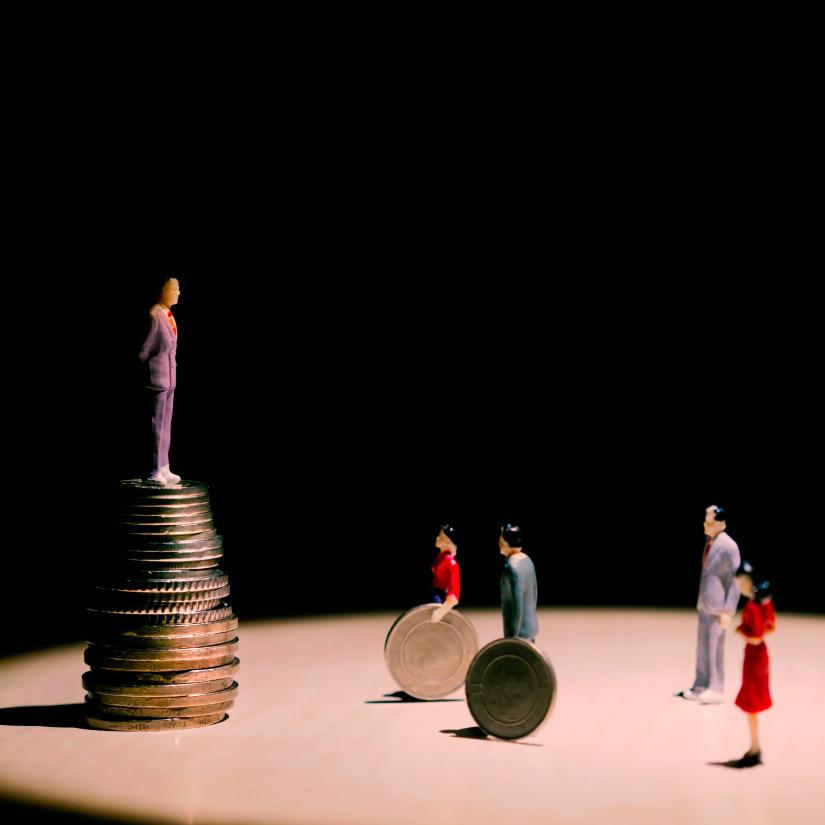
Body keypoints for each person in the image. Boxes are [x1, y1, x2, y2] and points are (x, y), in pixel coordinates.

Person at [677, 505, 740, 703]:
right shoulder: (709, 542)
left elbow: (737, 579)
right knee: (702, 647)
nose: (706, 525)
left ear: (721, 523)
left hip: (719, 607)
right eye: (705, 521)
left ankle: (716, 687)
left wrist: (729, 610)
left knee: (715, 647)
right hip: (705, 604)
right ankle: (701, 683)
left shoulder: (729, 546)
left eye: (710, 522)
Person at [730, 560, 775, 767]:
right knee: (752, 705)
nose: (739, 586)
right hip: (758, 655)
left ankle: (755, 747)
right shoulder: (761, 604)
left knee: (752, 704)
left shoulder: (752, 608)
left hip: (755, 656)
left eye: (740, 583)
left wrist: (740, 630)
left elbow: (756, 637)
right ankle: (754, 746)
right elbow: (770, 628)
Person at [138, 277, 181, 484]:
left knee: (166, 425)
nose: (178, 293)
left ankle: (164, 466)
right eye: (174, 289)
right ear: (162, 290)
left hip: (170, 378)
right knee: (156, 426)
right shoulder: (154, 315)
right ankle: (154, 470)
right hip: (157, 378)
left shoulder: (169, 314)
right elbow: (144, 349)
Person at [499, 523, 538, 642]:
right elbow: (535, 592)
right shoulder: (527, 560)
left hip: (519, 632)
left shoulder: (512, 567)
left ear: (507, 542)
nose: (499, 543)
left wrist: (513, 636)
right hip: (530, 626)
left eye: (501, 540)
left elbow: (517, 603)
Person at [430, 524, 460, 623]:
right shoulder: (440, 559)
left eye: (441, 537)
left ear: (448, 542)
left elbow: (454, 596)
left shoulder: (452, 564)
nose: (437, 538)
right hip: (435, 596)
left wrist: (440, 612)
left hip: (442, 601)